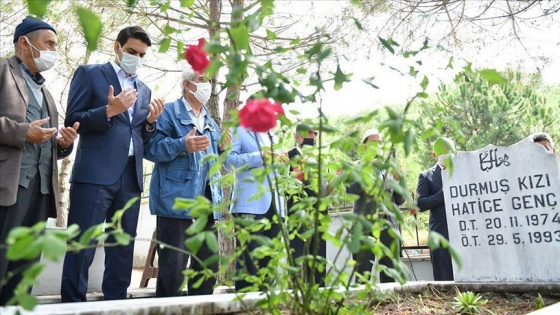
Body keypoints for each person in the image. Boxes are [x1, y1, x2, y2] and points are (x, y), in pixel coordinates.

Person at [60, 25, 164, 302]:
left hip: (131, 177)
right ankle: (72, 304)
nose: (136, 58)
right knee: (83, 245)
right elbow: (73, 120)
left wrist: (151, 123)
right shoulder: (91, 74)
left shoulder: (144, 89)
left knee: (122, 246)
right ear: (117, 47)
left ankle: (116, 302)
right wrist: (109, 110)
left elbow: (139, 134)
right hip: (94, 174)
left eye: (142, 54)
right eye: (131, 51)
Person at [0, 16, 79, 305]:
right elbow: (27, 134)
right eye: (49, 44)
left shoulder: (46, 92)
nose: (54, 51)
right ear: (24, 42)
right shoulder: (2, 70)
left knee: (25, 269)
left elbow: (45, 143)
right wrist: (23, 132)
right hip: (8, 186)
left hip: (41, 190)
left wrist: (63, 145)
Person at [144, 66, 228, 297]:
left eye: (209, 80)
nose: (207, 85)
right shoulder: (168, 112)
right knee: (174, 270)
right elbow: (150, 149)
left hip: (208, 205)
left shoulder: (210, 120)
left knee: (207, 268)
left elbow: (216, 164)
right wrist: (181, 145)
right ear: (187, 85)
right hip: (176, 203)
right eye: (202, 79)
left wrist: (222, 151)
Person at [225, 100, 286, 292]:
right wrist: (260, 157)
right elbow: (229, 162)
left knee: (269, 263)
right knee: (249, 263)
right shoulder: (239, 130)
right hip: (250, 206)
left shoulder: (272, 135)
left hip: (275, 206)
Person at [348, 129, 404, 283]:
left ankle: (391, 306)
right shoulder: (355, 166)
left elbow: (400, 200)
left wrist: (398, 179)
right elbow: (349, 192)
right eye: (374, 143)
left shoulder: (389, 166)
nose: (378, 145)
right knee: (362, 275)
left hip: (389, 227)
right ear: (364, 146)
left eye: (380, 142)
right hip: (364, 227)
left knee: (391, 274)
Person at [287, 124, 327, 286]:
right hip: (298, 215)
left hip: (319, 215)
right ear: (298, 137)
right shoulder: (288, 156)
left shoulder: (320, 160)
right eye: (309, 133)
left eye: (315, 133)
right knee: (297, 260)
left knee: (319, 261)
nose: (313, 136)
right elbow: (286, 187)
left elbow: (324, 191)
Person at [416, 137, 456, 281]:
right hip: (440, 232)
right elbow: (420, 204)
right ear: (434, 155)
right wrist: (442, 194)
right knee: (443, 276)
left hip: (464, 231)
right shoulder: (426, 176)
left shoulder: (464, 172)